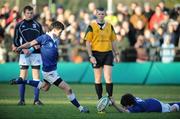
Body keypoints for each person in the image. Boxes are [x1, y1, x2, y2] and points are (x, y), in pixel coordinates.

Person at [10, 21, 89, 113]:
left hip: (52, 70)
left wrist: (32, 49)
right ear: (54, 30)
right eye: (60, 32)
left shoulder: (54, 39)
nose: (61, 33)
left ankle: (22, 81)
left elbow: (38, 47)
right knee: (68, 89)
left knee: (45, 88)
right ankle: (81, 108)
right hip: (49, 72)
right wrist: (19, 47)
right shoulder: (44, 37)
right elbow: (30, 43)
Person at [84, 7, 120, 101]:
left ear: (105, 14)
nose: (101, 15)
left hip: (108, 53)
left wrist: (116, 53)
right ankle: (100, 99)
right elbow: (87, 42)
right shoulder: (91, 26)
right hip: (96, 54)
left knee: (108, 78)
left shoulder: (109, 26)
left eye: (102, 14)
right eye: (99, 14)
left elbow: (113, 41)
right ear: (96, 14)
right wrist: (90, 56)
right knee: (98, 78)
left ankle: (110, 98)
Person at [12, 5, 44, 105]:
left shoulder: (38, 25)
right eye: (27, 13)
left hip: (36, 54)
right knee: (22, 77)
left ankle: (36, 100)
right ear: (24, 14)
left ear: (33, 13)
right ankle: (21, 100)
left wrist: (32, 48)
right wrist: (24, 48)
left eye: (31, 13)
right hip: (24, 54)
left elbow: (41, 39)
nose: (29, 15)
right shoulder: (19, 25)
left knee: (36, 77)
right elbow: (16, 40)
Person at [110, 93, 180, 113]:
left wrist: (114, 104)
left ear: (131, 105)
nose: (124, 108)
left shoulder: (137, 108)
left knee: (171, 109)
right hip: (153, 101)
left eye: (125, 106)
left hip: (159, 107)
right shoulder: (133, 99)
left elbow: (124, 112)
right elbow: (126, 106)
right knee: (167, 105)